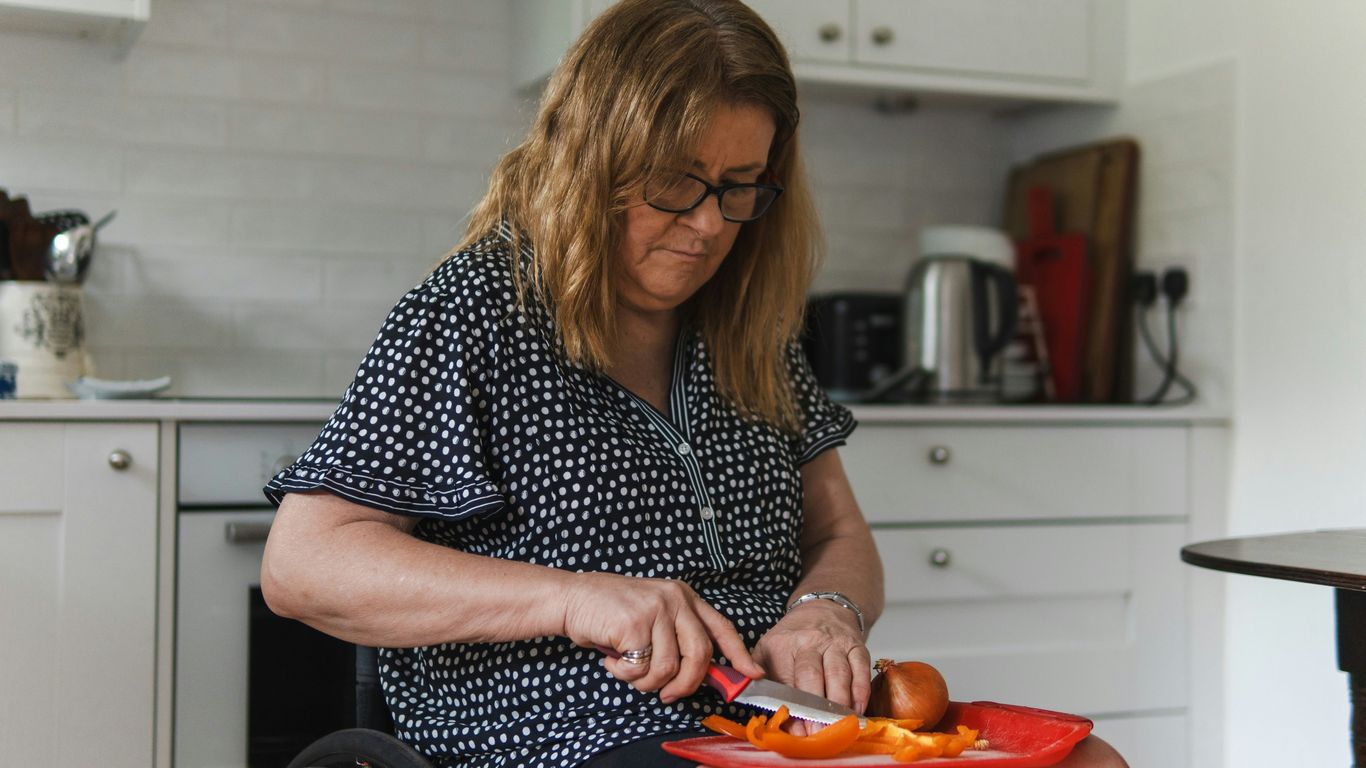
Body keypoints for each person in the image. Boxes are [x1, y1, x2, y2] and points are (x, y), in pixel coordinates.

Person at [260, 1, 1127, 767]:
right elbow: (303, 566)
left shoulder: (750, 323)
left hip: (776, 724)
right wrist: (577, 600)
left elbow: (837, 530)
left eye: (740, 187)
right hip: (571, 731)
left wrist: (828, 612)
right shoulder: (474, 313)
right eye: (678, 183)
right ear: (592, 160)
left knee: (1092, 762)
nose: (711, 224)